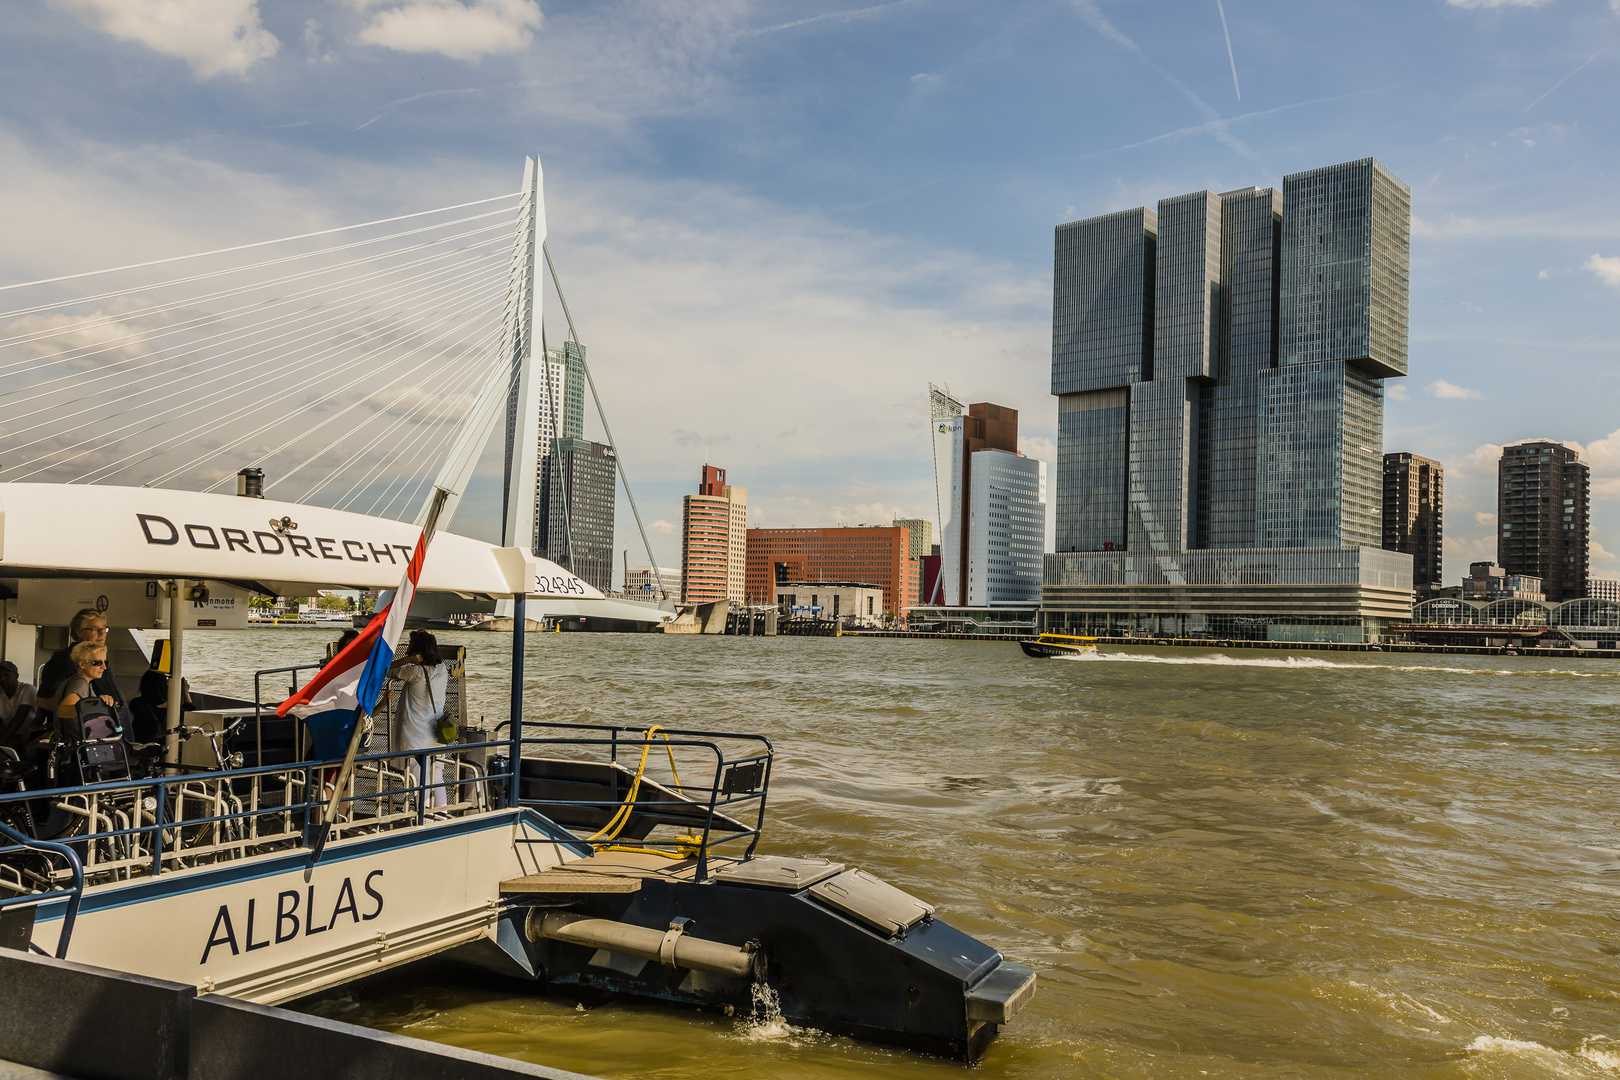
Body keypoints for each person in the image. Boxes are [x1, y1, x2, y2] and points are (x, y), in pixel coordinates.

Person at [388, 630, 450, 816]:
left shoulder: (414, 671)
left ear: (416, 649)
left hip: (415, 735)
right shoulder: (442, 669)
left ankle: (427, 820)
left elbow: (385, 670)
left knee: (419, 779)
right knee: (436, 776)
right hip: (436, 734)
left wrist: (407, 660)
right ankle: (442, 815)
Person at [39, 610, 128, 722]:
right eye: (96, 629)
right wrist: (92, 706)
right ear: (79, 632)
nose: (102, 633)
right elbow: (44, 701)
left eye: (104, 629)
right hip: (86, 731)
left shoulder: (97, 658)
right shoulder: (63, 661)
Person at [0, 660, 39, 751]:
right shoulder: (1, 692)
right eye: (0, 676)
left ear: (17, 676)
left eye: (6, 675)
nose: (2, 679)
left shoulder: (27, 689)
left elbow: (18, 719)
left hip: (27, 736)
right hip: (9, 734)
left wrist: (0, 742)